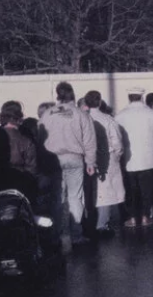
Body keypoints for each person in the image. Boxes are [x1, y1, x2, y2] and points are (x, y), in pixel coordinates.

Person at [40, 82, 97, 247]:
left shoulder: (47, 114)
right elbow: (89, 139)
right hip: (74, 157)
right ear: (72, 94)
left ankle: (55, 235)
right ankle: (76, 235)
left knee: (57, 198)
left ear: (57, 95)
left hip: (53, 159)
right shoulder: (80, 113)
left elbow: (40, 137)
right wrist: (91, 161)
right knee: (76, 197)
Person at [115, 87, 153, 228]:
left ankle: (132, 217)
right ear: (142, 97)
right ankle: (145, 216)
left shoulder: (120, 115)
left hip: (128, 159)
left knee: (130, 189)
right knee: (147, 188)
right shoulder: (151, 114)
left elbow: (116, 136)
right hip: (148, 158)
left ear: (129, 97)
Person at [83, 91, 125, 238]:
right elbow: (117, 141)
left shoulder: (84, 118)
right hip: (107, 156)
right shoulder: (107, 119)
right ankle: (102, 224)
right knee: (106, 192)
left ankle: (88, 223)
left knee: (89, 192)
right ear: (99, 102)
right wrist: (118, 155)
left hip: (87, 158)